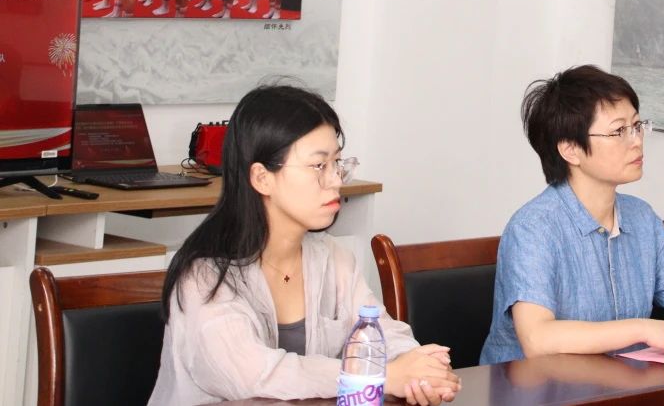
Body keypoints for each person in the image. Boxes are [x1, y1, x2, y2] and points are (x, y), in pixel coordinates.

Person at [150, 85, 458, 405]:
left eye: (337, 163)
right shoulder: (203, 277)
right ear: (262, 178)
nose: (336, 180)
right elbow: (254, 376)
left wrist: (420, 370)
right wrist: (382, 376)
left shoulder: (334, 259)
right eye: (319, 166)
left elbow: (384, 333)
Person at [480, 65, 664, 365]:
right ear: (570, 150)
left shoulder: (641, 218)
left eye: (637, 125)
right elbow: (538, 339)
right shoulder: (533, 228)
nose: (637, 140)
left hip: (624, 383)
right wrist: (644, 330)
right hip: (536, 387)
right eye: (619, 131)